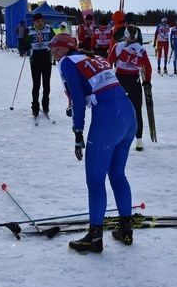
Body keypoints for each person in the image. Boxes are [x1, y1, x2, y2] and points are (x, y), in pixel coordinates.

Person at [50, 33, 137, 253]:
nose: (53, 52)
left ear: (67, 48)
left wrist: (78, 131)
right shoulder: (94, 58)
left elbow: (78, 100)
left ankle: (95, 238)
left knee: (95, 181)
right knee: (117, 175)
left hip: (108, 120)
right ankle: (126, 230)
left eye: (56, 48)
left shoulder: (67, 62)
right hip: (128, 115)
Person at [108, 24, 152, 151]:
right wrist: (147, 81)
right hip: (134, 81)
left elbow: (108, 63)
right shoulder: (141, 49)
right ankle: (139, 141)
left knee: (117, 109)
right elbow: (147, 68)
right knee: (137, 110)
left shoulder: (118, 46)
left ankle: (116, 137)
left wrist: (109, 78)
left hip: (119, 80)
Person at [20, 12, 55, 117]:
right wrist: (24, 47)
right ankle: (35, 107)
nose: (40, 23)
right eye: (37, 21)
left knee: (46, 84)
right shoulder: (29, 30)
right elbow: (24, 42)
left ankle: (45, 105)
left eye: (41, 21)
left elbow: (55, 40)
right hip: (35, 61)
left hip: (46, 60)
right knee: (36, 85)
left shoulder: (49, 29)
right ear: (34, 22)